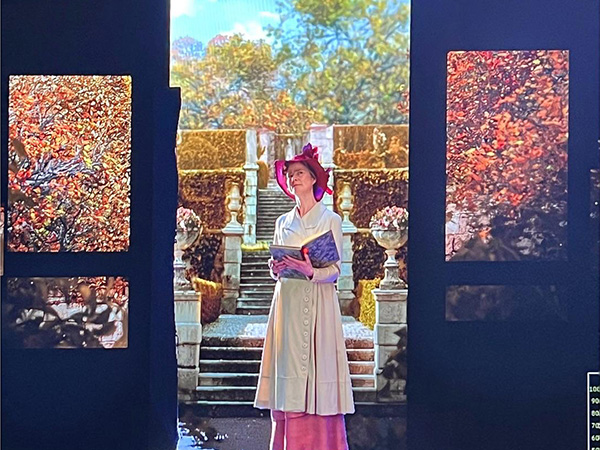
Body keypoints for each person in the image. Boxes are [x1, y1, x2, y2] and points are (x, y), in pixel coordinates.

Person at [254, 143, 355, 450]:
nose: (293, 178)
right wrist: (277, 267)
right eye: (290, 174)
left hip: (318, 303)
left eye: (299, 173)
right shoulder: (282, 222)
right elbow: (278, 268)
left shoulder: (331, 220)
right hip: (287, 302)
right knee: (288, 370)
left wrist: (311, 270)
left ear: (313, 179)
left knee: (316, 365)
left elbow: (336, 271)